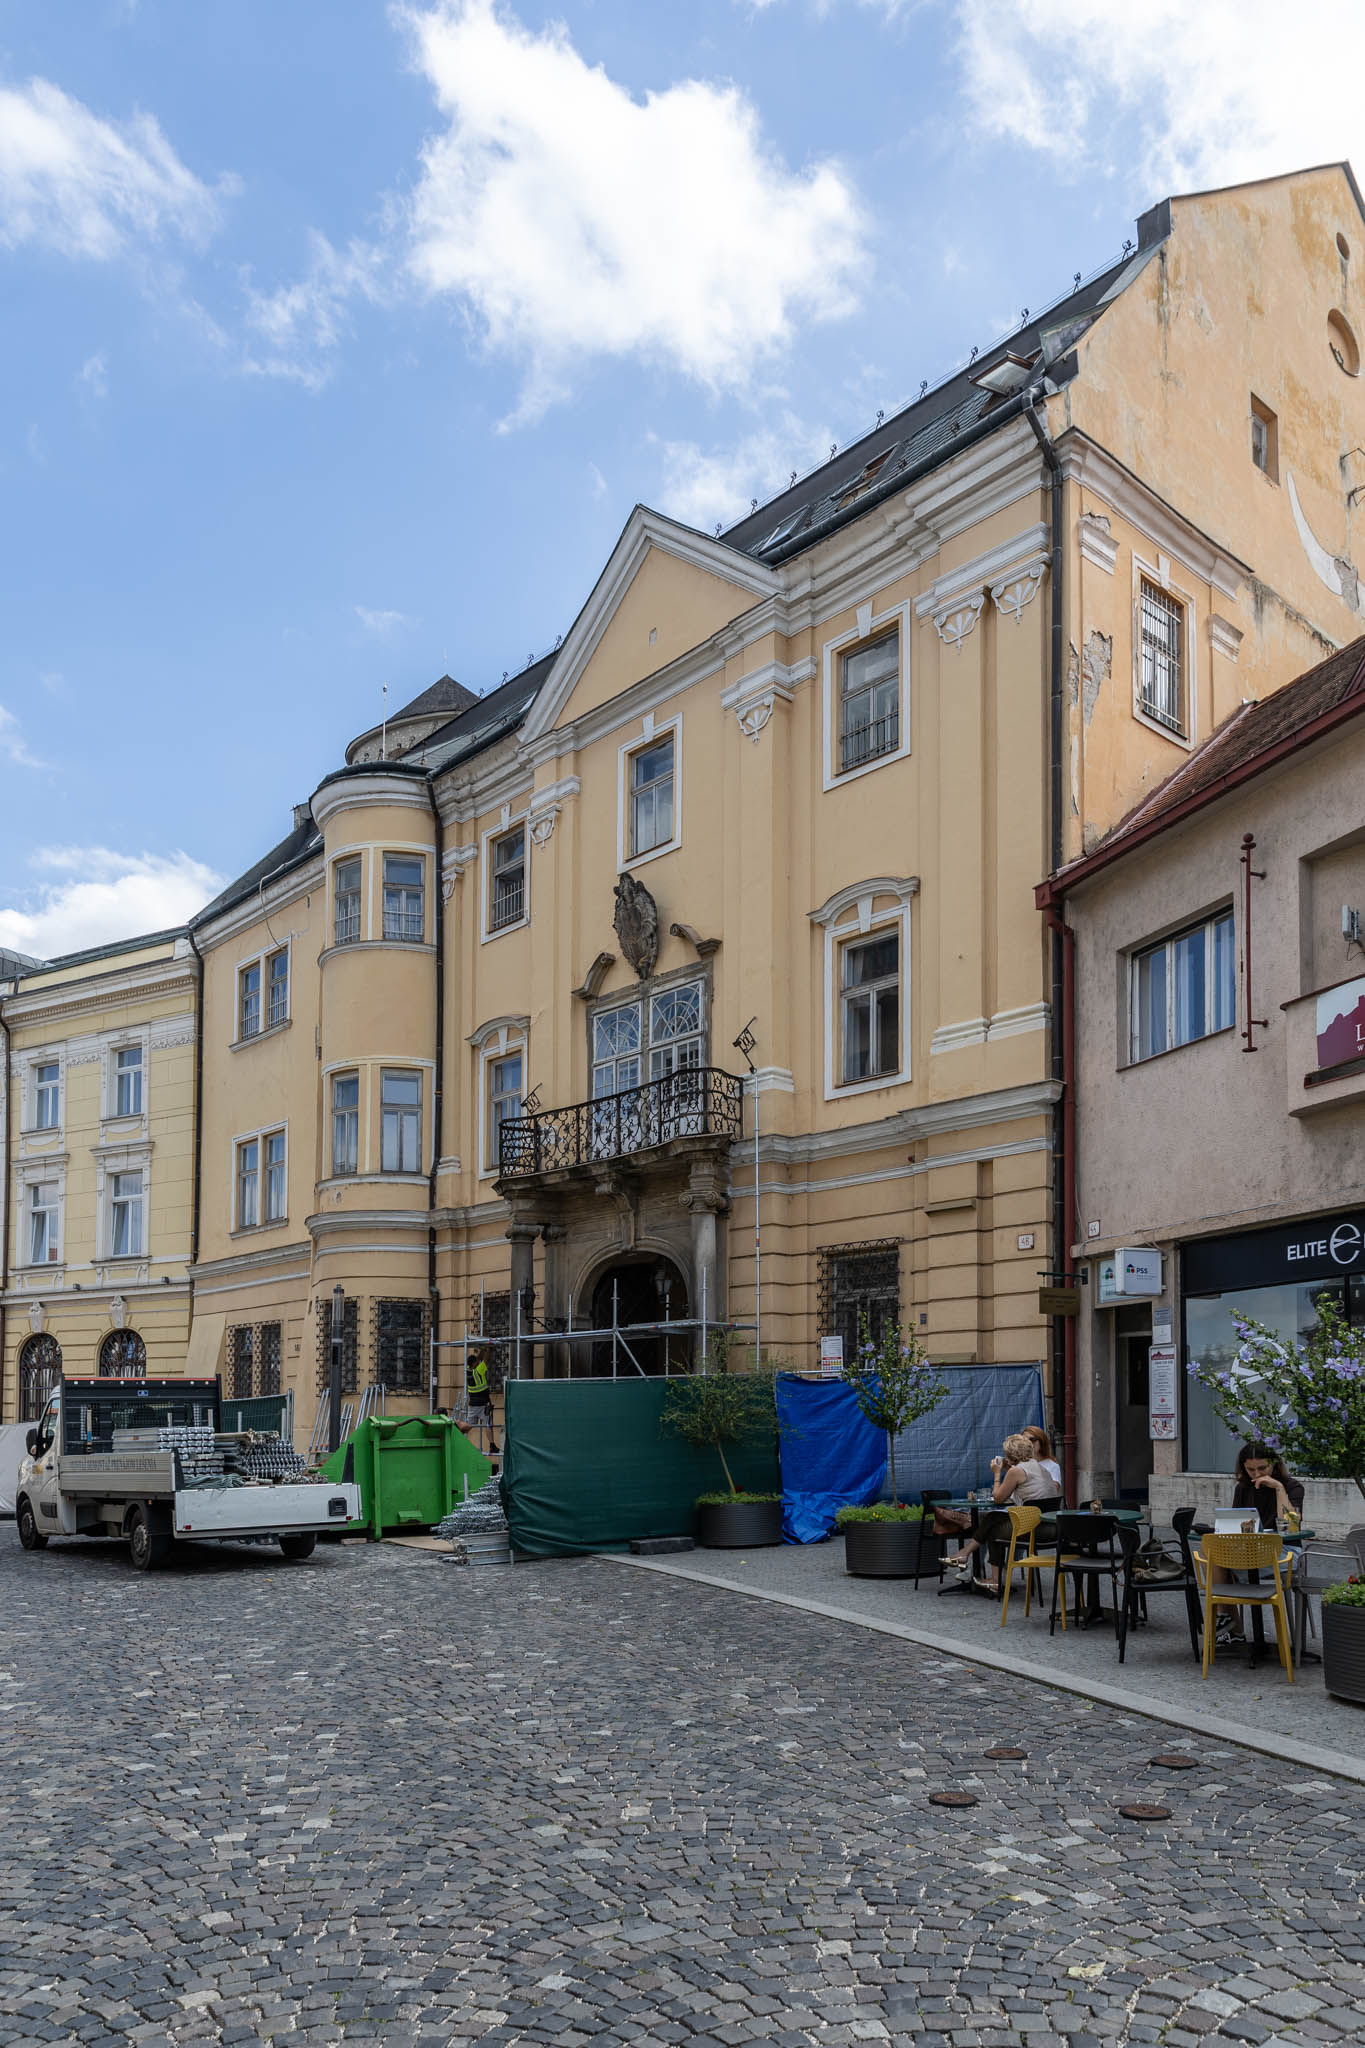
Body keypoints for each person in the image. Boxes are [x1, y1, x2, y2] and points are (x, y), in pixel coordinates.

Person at [1210, 1441, 1305, 1647]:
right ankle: (1229, 1622)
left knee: (1218, 1563)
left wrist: (1279, 1489)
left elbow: (1291, 1526)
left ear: (1274, 1464)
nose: (1257, 1474)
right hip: (1251, 1551)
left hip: (1285, 1551)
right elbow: (1236, 1523)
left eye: (1262, 1468)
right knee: (1213, 1555)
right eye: (1250, 1469)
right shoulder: (1243, 1488)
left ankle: (1230, 1624)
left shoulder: (1292, 1487)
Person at [946, 1434, 1061, 1595]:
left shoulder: (1017, 1471)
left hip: (1033, 1530)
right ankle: (965, 1554)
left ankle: (995, 1580)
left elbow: (998, 1498)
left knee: (993, 1529)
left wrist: (997, 1474)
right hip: (1050, 1528)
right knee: (994, 1517)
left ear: (1011, 1454)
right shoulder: (1041, 1468)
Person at [1021, 1425, 1063, 1495]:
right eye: (1024, 1441)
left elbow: (1052, 1491)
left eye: (1032, 1439)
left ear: (1041, 1441)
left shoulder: (1052, 1465)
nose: (1028, 1443)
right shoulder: (1020, 1464)